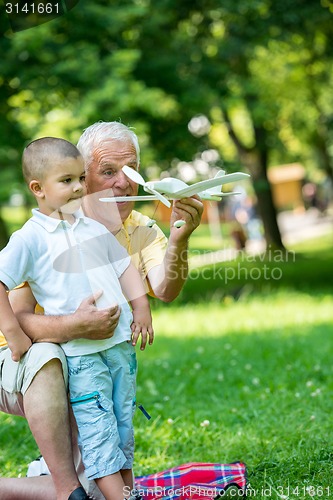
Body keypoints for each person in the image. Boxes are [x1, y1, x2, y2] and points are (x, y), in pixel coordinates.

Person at [0, 121, 203, 500]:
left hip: (93, 359)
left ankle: (79, 480)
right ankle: (49, 485)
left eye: (130, 171)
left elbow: (163, 287)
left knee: (113, 443)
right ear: (82, 177)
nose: (123, 183)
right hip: (27, 362)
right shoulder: (47, 232)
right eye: (108, 172)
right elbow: (21, 321)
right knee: (50, 359)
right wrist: (76, 326)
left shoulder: (136, 227)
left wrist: (179, 238)